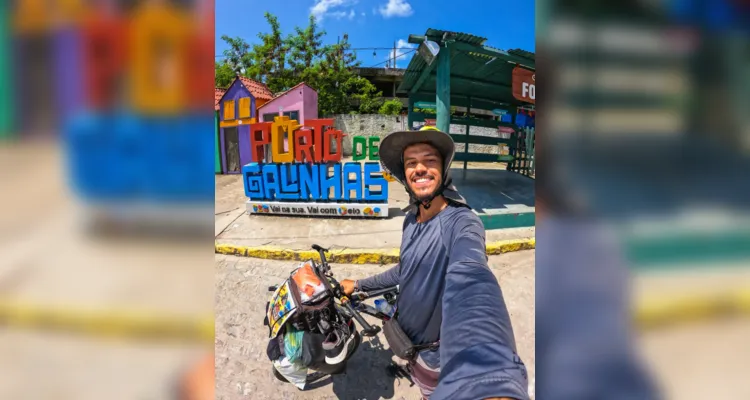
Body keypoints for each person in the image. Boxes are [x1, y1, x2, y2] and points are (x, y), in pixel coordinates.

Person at [340, 126, 529, 400]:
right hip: (408, 343)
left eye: (429, 160)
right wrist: (359, 284)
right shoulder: (411, 218)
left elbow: (471, 277)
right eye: (410, 163)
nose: (419, 168)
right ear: (403, 175)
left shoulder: (461, 222)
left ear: (444, 169)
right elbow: (406, 270)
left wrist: (490, 378)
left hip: (435, 356)